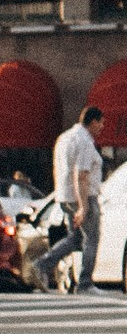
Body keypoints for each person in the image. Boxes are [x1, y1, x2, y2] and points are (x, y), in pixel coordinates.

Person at [56, 103, 109, 289]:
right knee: (92, 239)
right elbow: (82, 176)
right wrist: (83, 206)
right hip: (83, 197)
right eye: (101, 122)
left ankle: (41, 264)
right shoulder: (85, 141)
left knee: (75, 239)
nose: (103, 127)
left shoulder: (64, 138)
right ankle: (85, 283)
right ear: (93, 121)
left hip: (64, 196)